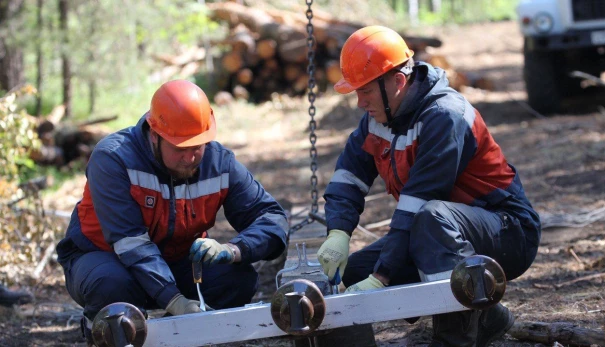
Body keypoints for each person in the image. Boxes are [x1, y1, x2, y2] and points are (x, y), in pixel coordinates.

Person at [316, 25, 541, 346]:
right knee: (354, 273)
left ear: (397, 81)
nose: (359, 103)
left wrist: (382, 277)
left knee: (431, 219)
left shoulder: (446, 117)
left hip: (508, 233)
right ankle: (487, 317)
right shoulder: (378, 117)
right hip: (436, 230)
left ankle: (454, 339)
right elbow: (348, 177)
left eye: (364, 91)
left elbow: (419, 202)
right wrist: (338, 231)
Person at [56, 80, 288, 344]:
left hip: (176, 259)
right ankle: (104, 333)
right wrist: (175, 300)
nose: (190, 158)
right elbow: (130, 243)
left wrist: (233, 250)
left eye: (197, 147)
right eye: (180, 149)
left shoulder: (219, 162)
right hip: (104, 259)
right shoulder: (113, 159)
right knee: (112, 286)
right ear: (155, 135)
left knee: (236, 279)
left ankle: (177, 336)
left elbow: (272, 218)